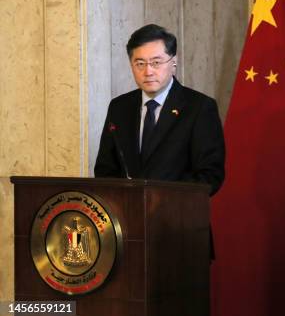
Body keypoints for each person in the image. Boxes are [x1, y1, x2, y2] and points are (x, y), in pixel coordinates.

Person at [94, 24, 225, 194]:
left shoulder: (199, 107)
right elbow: (105, 170)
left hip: (179, 216)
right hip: (128, 215)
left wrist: (162, 201)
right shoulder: (119, 107)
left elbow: (210, 175)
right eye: (140, 63)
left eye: (156, 62)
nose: (148, 71)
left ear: (173, 62)